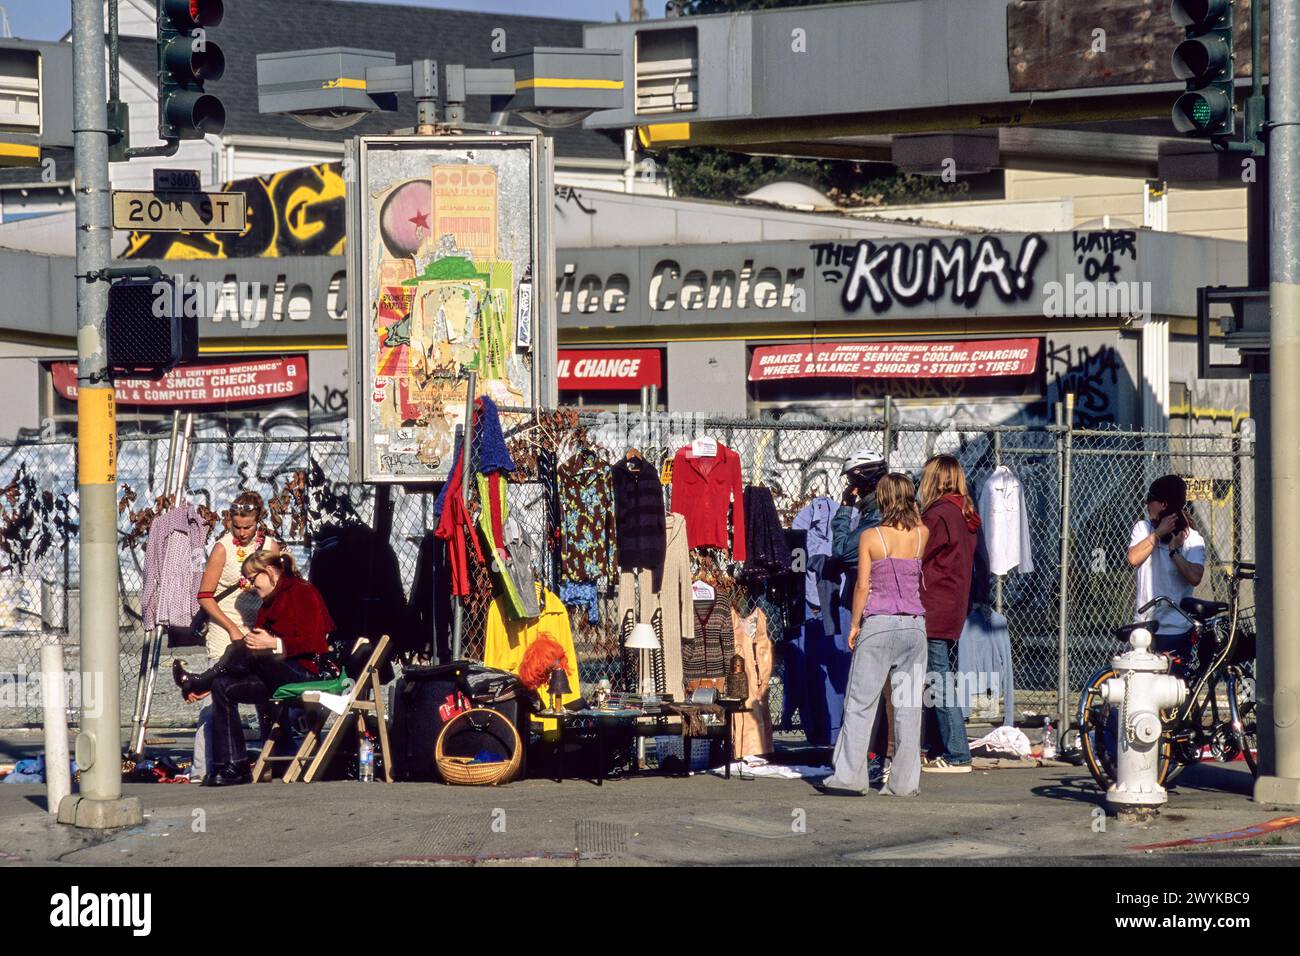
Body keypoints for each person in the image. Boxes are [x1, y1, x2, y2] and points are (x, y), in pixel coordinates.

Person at [174, 550, 335, 786]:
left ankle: (201, 681)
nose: (249, 585)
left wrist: (275, 643)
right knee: (224, 685)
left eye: (252, 578)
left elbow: (317, 642)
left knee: (246, 647)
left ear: (269, 572)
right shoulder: (267, 604)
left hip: (305, 671)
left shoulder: (302, 591)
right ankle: (233, 766)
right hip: (277, 673)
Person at [817, 473, 929, 797]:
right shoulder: (923, 534)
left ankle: (850, 778)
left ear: (882, 499)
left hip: (879, 623)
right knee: (909, 708)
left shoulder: (871, 536)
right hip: (915, 625)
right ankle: (905, 784)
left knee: (860, 702)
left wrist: (854, 625)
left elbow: (863, 586)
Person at [179, 492, 280, 782]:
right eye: (236, 526)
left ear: (258, 521)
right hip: (226, 628)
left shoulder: (269, 546)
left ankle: (267, 762)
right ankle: (204, 766)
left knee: (264, 696)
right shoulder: (222, 548)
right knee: (213, 699)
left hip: (258, 629)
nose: (241, 532)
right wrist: (230, 627)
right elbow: (205, 596)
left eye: (247, 527)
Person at [918, 455, 980, 774]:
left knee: (939, 678)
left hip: (933, 605)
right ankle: (939, 745)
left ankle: (957, 752)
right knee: (939, 677)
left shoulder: (939, 514)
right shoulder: (963, 511)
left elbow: (916, 550)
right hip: (953, 604)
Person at [1126, 474, 1205, 668]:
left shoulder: (1192, 539)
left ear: (1163, 504)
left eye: (1150, 499)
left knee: (1173, 690)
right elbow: (1133, 558)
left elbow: (1195, 577)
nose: (1146, 504)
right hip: (1144, 625)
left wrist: (1173, 552)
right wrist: (1157, 534)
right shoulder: (1143, 529)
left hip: (1175, 628)